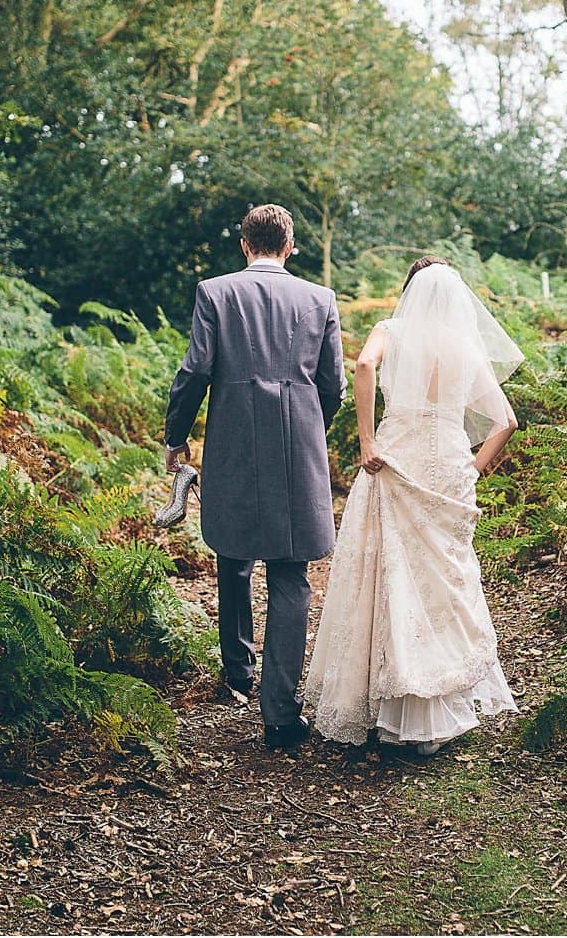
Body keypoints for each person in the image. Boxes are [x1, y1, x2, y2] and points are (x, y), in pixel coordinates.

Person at [301, 255, 523, 755]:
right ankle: (433, 709)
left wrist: (365, 441)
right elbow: (504, 421)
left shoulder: (391, 330)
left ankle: (380, 707)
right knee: (444, 582)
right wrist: (473, 467)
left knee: (388, 575)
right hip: (447, 465)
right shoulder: (466, 346)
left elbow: (361, 365)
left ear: (410, 293)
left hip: (396, 458)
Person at [164, 203, 344, 750]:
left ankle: (237, 671)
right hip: (298, 447)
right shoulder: (320, 298)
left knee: (234, 555)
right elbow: (331, 384)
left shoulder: (216, 292)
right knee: (291, 575)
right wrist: (312, 424)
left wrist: (177, 435)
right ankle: (281, 714)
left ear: (245, 245)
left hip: (234, 442)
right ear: (289, 247)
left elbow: (195, 370)